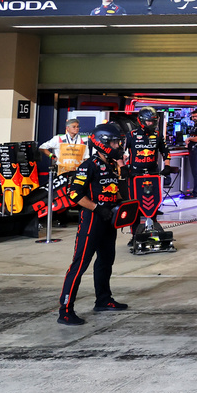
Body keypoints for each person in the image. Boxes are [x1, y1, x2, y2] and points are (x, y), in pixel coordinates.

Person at [58, 123, 128, 325]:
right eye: (115, 142)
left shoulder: (112, 165)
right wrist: (97, 208)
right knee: (79, 264)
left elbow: (113, 191)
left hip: (108, 221)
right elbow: (74, 194)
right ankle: (65, 309)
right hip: (92, 221)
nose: (118, 145)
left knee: (106, 261)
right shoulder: (88, 165)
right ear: (103, 143)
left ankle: (103, 300)